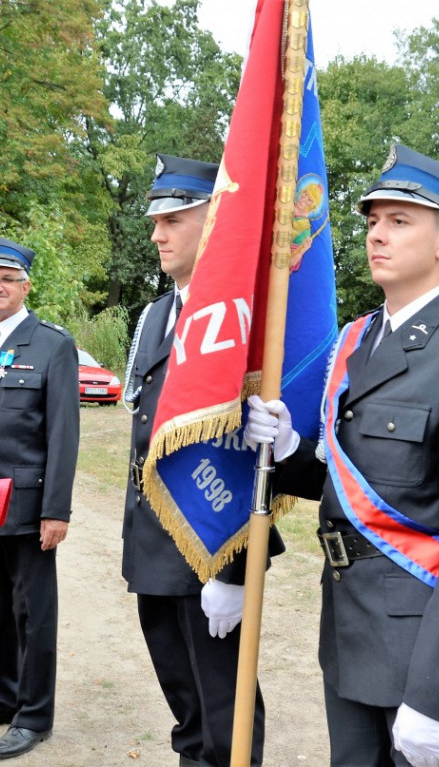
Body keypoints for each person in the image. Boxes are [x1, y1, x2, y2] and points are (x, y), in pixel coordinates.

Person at [245, 145, 439, 767]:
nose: (378, 235)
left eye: (400, 222)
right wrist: (291, 448)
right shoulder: (356, 341)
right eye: (372, 221)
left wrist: (438, 692)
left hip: (420, 634)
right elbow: (346, 481)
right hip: (348, 620)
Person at [121, 154, 283, 767]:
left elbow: (253, 454)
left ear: (214, 220)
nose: (158, 234)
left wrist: (236, 571)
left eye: (174, 218)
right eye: (154, 221)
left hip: (212, 546)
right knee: (186, 709)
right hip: (157, 544)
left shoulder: (244, 315)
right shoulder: (160, 312)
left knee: (224, 715)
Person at [0, 235, 80, 760]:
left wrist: (56, 510)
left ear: (25, 286)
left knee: (33, 613)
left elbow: (63, 434)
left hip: (27, 507)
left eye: (7, 278)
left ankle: (33, 715)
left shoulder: (52, 344)